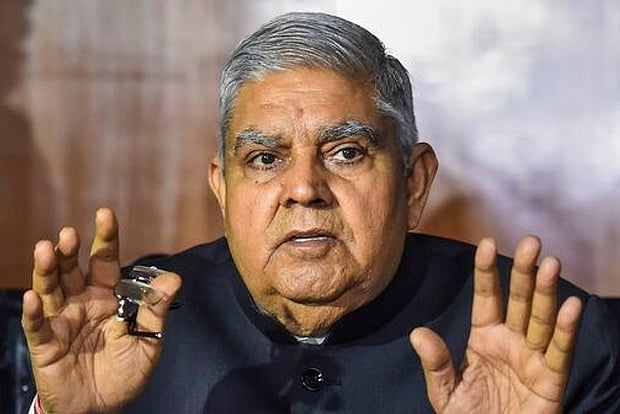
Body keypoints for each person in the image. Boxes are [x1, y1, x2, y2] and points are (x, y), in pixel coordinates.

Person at [20, 12, 619, 413]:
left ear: (413, 183)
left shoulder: (554, 342)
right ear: (222, 190)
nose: (304, 188)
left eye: (347, 152)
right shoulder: (125, 327)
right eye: (264, 158)